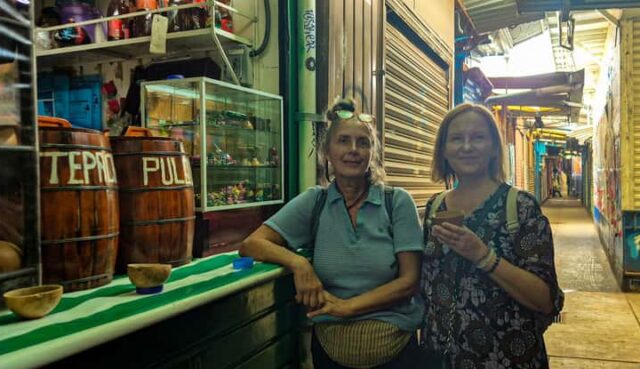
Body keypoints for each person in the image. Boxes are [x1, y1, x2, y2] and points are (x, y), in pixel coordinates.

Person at [240, 98, 425, 369]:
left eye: (363, 143)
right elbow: (252, 244)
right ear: (327, 151)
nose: (354, 150)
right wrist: (299, 264)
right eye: (344, 141)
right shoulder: (315, 202)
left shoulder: (396, 202)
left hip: (396, 350)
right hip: (330, 349)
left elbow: (410, 282)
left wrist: (347, 307)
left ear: (372, 153)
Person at [419, 103, 563, 369]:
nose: (467, 146)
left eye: (478, 137)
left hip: (507, 358)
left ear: (494, 148)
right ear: (444, 150)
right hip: (441, 356)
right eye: (456, 138)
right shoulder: (435, 207)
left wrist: (483, 256)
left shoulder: (520, 207)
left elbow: (545, 299)